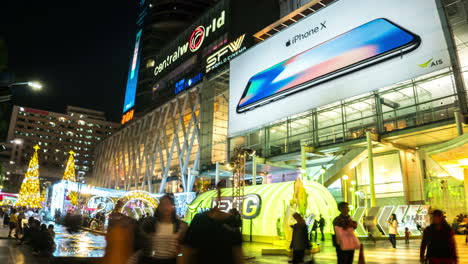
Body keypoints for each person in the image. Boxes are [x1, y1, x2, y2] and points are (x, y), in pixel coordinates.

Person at [181, 186, 244, 264]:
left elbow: (238, 252)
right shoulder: (200, 220)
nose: (219, 198)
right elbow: (186, 249)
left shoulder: (231, 222)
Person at [139, 194, 188, 264]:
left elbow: (184, 251)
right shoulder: (149, 225)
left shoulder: (181, 226)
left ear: (173, 207)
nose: (165, 207)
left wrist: (179, 255)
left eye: (168, 204)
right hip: (151, 261)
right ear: (158, 207)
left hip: (171, 261)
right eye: (162, 204)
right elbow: (142, 248)